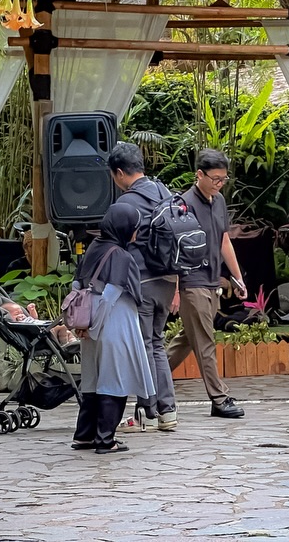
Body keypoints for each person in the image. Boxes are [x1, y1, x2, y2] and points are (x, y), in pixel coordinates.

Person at [165, 150, 247, 419]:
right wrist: (175, 290)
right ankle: (219, 397)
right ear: (199, 174)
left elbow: (224, 240)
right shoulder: (182, 204)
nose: (219, 183)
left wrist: (237, 276)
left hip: (212, 280)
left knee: (189, 338)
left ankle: (152, 380)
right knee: (206, 340)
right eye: (215, 178)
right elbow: (175, 249)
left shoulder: (219, 201)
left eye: (223, 179)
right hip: (191, 281)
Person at [70, 204, 153, 453]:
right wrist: (95, 326)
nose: (136, 233)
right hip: (113, 322)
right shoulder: (120, 255)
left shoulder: (93, 247)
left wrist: (81, 324)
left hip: (88, 320)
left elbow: (76, 283)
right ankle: (106, 439)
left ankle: (84, 435)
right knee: (114, 381)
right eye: (135, 228)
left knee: (93, 381)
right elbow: (111, 294)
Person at [109, 141, 179, 432]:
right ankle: (168, 411)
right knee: (157, 344)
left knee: (144, 347)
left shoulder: (126, 203)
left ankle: (147, 412)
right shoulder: (167, 193)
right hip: (167, 282)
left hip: (142, 282)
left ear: (120, 172)